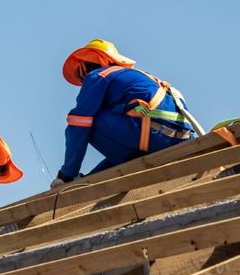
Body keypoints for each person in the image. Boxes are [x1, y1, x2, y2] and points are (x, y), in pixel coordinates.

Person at [52, 39, 203, 187]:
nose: (82, 79)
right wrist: (88, 180)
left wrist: (67, 175)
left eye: (80, 72)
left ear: (90, 61)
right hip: (176, 139)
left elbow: (78, 125)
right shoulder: (136, 77)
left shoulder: (99, 75)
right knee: (103, 119)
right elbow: (122, 155)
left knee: (86, 121)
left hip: (153, 137)